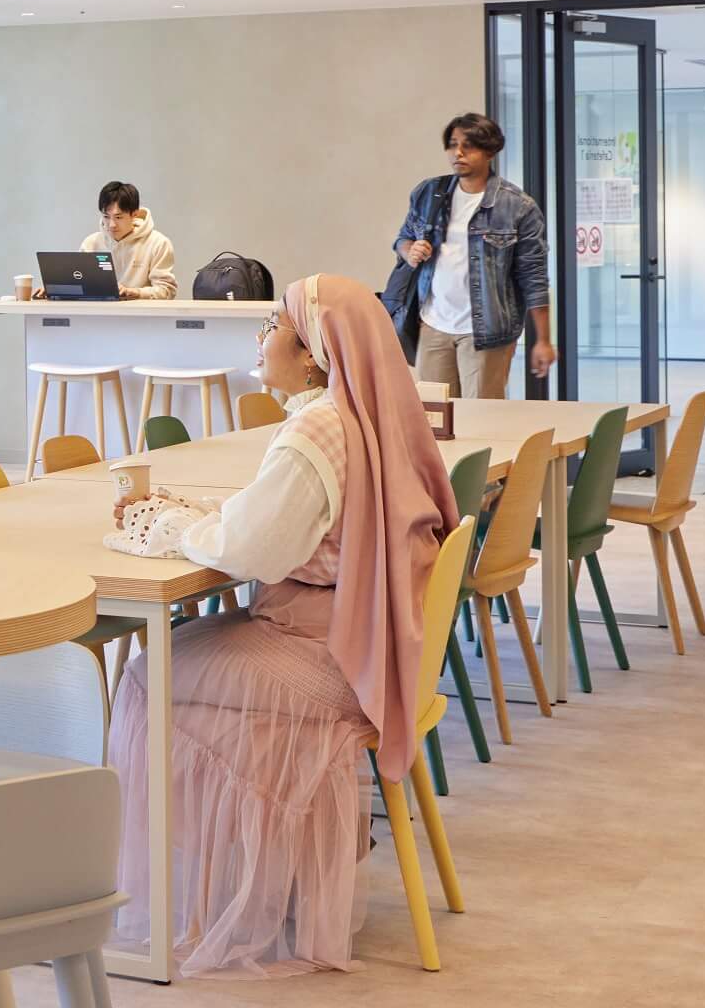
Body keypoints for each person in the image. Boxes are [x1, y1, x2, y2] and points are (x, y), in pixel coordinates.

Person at [106, 273, 458, 976]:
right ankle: (256, 874)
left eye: (272, 326)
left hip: (323, 657)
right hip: (379, 653)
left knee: (147, 677)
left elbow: (253, 548)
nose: (260, 339)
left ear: (310, 352)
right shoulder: (363, 415)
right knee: (187, 654)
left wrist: (169, 521)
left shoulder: (315, 429)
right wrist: (207, 518)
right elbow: (284, 524)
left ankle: (200, 895)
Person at [389, 113, 555, 397]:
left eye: (469, 145)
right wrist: (410, 251)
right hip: (432, 324)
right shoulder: (429, 192)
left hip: (486, 332)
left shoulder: (517, 206)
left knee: (482, 417)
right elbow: (403, 239)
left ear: (490, 150)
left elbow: (534, 277)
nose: (458, 153)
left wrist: (543, 340)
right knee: (435, 418)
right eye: (453, 145)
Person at [83, 181, 177, 300]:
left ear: (134, 214)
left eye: (118, 217)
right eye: (106, 217)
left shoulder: (158, 243)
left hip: (142, 315)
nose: (111, 225)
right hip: (99, 313)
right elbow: (82, 285)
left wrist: (136, 292)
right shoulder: (91, 243)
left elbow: (167, 291)